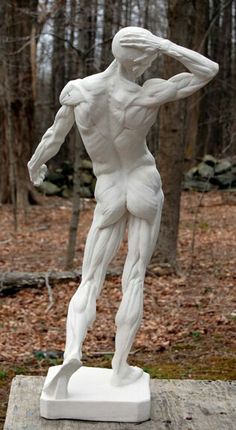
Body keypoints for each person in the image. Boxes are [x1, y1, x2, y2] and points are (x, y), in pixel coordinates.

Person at [28, 26, 218, 398]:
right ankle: (119, 367)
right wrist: (165, 44)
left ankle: (72, 352)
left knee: (90, 279)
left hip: (110, 186)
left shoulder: (80, 91)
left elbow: (54, 136)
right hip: (142, 182)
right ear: (143, 58)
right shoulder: (146, 94)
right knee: (133, 277)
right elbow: (206, 69)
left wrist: (36, 164)